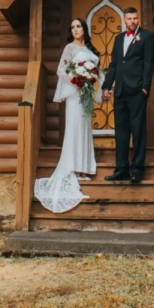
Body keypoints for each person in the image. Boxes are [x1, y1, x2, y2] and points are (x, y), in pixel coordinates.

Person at [32, 18, 100, 213]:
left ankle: (84, 168)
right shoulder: (69, 48)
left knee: (85, 128)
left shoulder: (90, 48)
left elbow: (96, 70)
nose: (76, 29)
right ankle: (72, 167)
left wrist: (91, 78)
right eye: (73, 27)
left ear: (84, 29)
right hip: (75, 93)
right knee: (75, 127)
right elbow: (61, 70)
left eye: (78, 26)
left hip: (86, 93)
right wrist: (77, 79)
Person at [100, 6, 154, 184]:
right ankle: (121, 168)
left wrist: (145, 87)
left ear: (138, 20)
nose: (132, 21)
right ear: (124, 20)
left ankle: (137, 170)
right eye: (129, 19)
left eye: (135, 18)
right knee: (121, 132)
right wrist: (106, 86)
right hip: (121, 91)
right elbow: (114, 65)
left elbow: (148, 63)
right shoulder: (118, 39)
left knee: (138, 130)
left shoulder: (146, 37)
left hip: (137, 91)